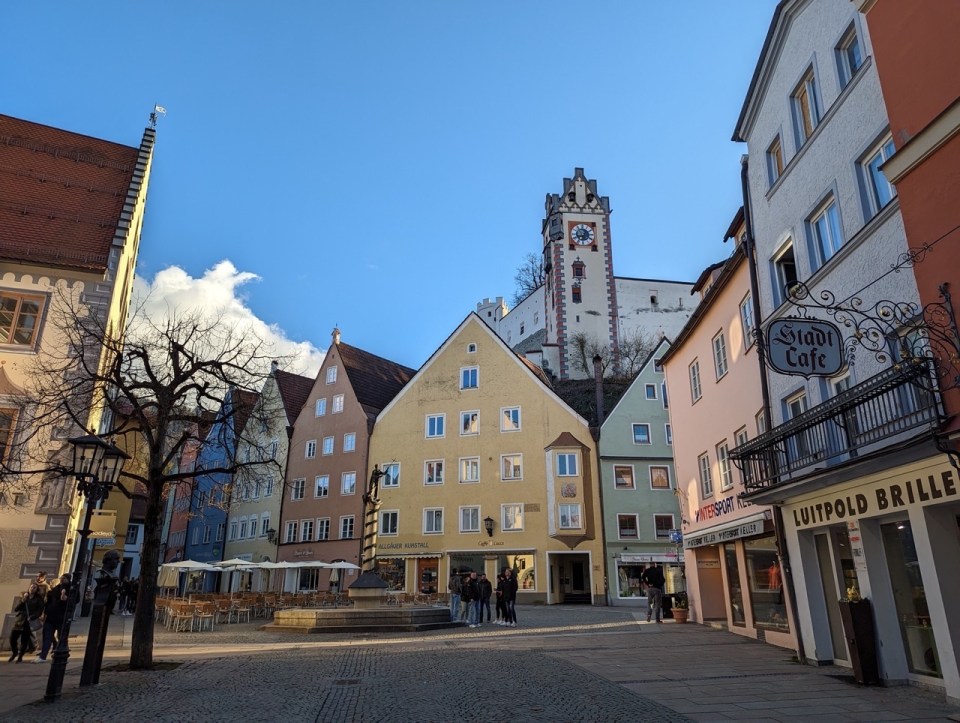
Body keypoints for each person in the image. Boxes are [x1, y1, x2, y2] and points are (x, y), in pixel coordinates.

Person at [36, 573, 71, 662]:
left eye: (64, 578)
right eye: (61, 578)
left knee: (61, 637)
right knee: (47, 637)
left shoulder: (71, 589)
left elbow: (75, 600)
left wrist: (66, 598)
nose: (62, 580)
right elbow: (48, 603)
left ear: (68, 579)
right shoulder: (55, 589)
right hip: (50, 617)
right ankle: (43, 656)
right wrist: (44, 614)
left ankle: (61, 654)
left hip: (62, 618)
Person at [9, 583, 44, 663]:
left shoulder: (39, 599)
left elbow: (39, 611)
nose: (32, 589)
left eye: (34, 588)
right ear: (29, 588)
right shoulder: (24, 596)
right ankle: (15, 652)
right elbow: (16, 609)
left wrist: (32, 616)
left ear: (36, 590)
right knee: (12, 639)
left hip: (28, 622)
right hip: (19, 621)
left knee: (24, 641)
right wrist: (23, 600)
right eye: (31, 587)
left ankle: (20, 656)